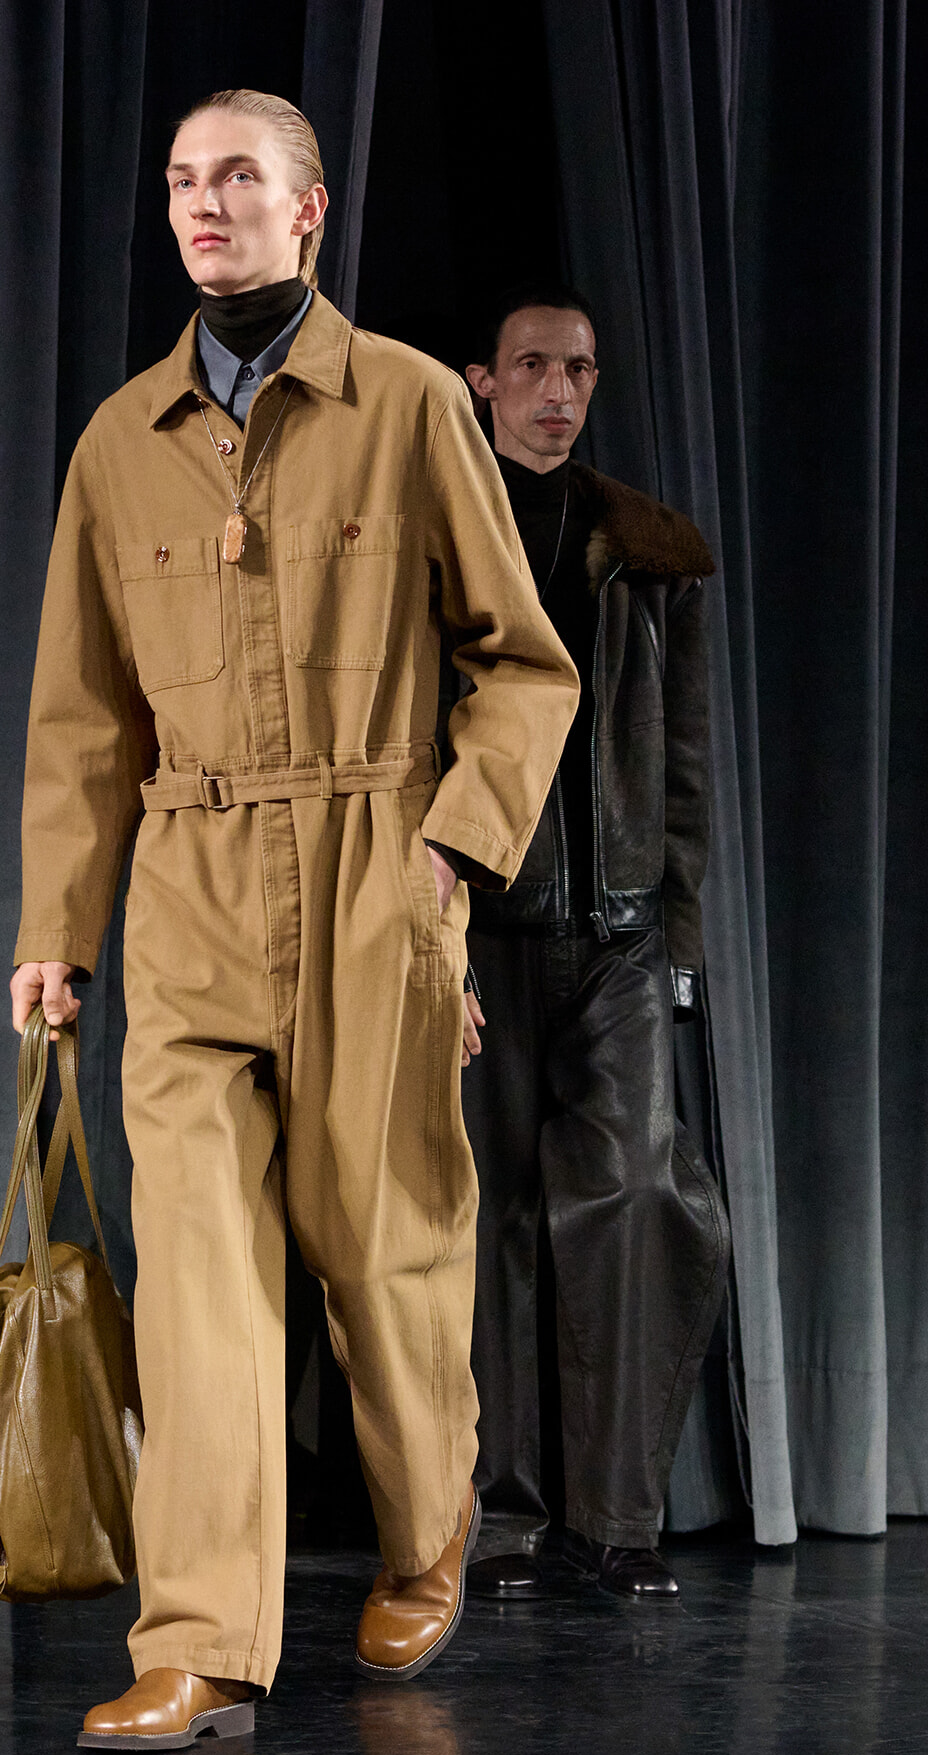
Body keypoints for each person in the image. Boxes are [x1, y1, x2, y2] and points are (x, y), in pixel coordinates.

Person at [10, 94, 578, 1752]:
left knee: (382, 1252)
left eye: (237, 177)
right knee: (193, 1283)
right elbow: (79, 716)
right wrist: (61, 927)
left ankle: (429, 1527)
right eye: (183, 182)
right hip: (190, 882)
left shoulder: (405, 401)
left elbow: (524, 666)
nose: (204, 204)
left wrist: (448, 862)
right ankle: (199, 1640)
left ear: (308, 208)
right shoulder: (122, 441)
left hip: (369, 868)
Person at [459, 284, 731, 1601]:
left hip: (617, 936)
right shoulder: (441, 539)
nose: (558, 390)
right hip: (481, 931)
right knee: (493, 1224)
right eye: (532, 367)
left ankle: (616, 1519)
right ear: (483, 382)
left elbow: (683, 767)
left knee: (628, 1205)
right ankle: (503, 1519)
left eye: (577, 369)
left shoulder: (646, 549)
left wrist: (676, 943)